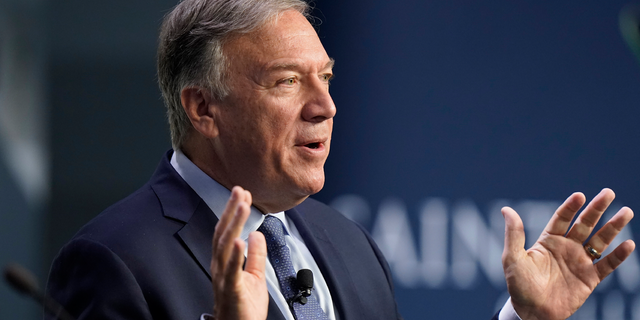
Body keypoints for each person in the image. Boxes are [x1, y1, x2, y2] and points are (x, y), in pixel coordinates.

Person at [46, 0, 636, 319]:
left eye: (326, 78)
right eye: (286, 82)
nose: (325, 106)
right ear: (204, 107)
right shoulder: (114, 261)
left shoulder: (348, 245)